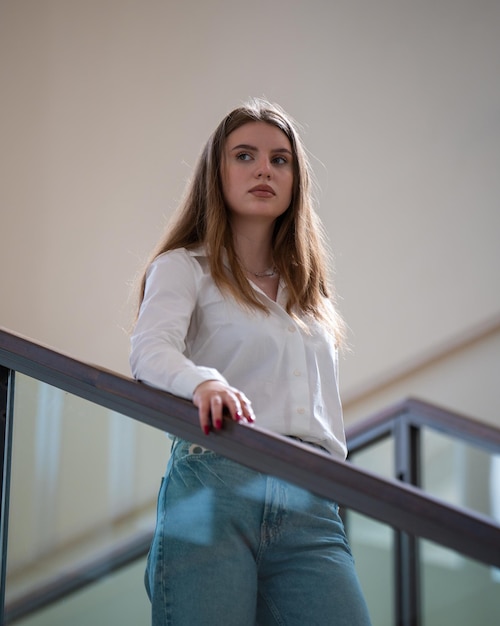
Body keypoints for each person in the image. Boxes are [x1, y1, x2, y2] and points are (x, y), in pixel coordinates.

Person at [130, 99, 372, 625]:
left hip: (312, 506)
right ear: (216, 175)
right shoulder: (183, 268)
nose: (264, 169)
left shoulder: (312, 298)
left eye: (280, 160)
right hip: (215, 484)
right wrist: (203, 383)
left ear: (295, 181)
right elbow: (150, 351)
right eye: (245, 155)